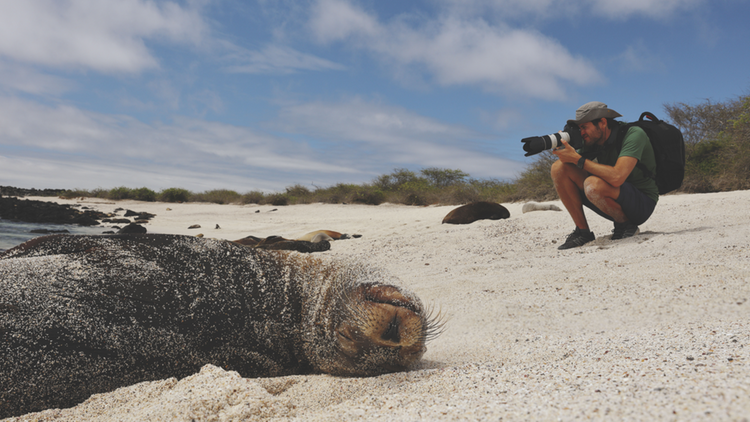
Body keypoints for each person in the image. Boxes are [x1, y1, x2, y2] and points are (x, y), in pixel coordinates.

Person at [551, 101, 658, 250]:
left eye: (584, 127)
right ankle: (583, 232)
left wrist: (577, 158)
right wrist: (566, 151)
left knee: (592, 184)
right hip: (614, 199)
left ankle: (627, 225)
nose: (581, 132)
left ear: (602, 123)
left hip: (642, 203)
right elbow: (571, 169)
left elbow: (617, 177)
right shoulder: (593, 140)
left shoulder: (633, 134)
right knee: (559, 168)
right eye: (579, 128)